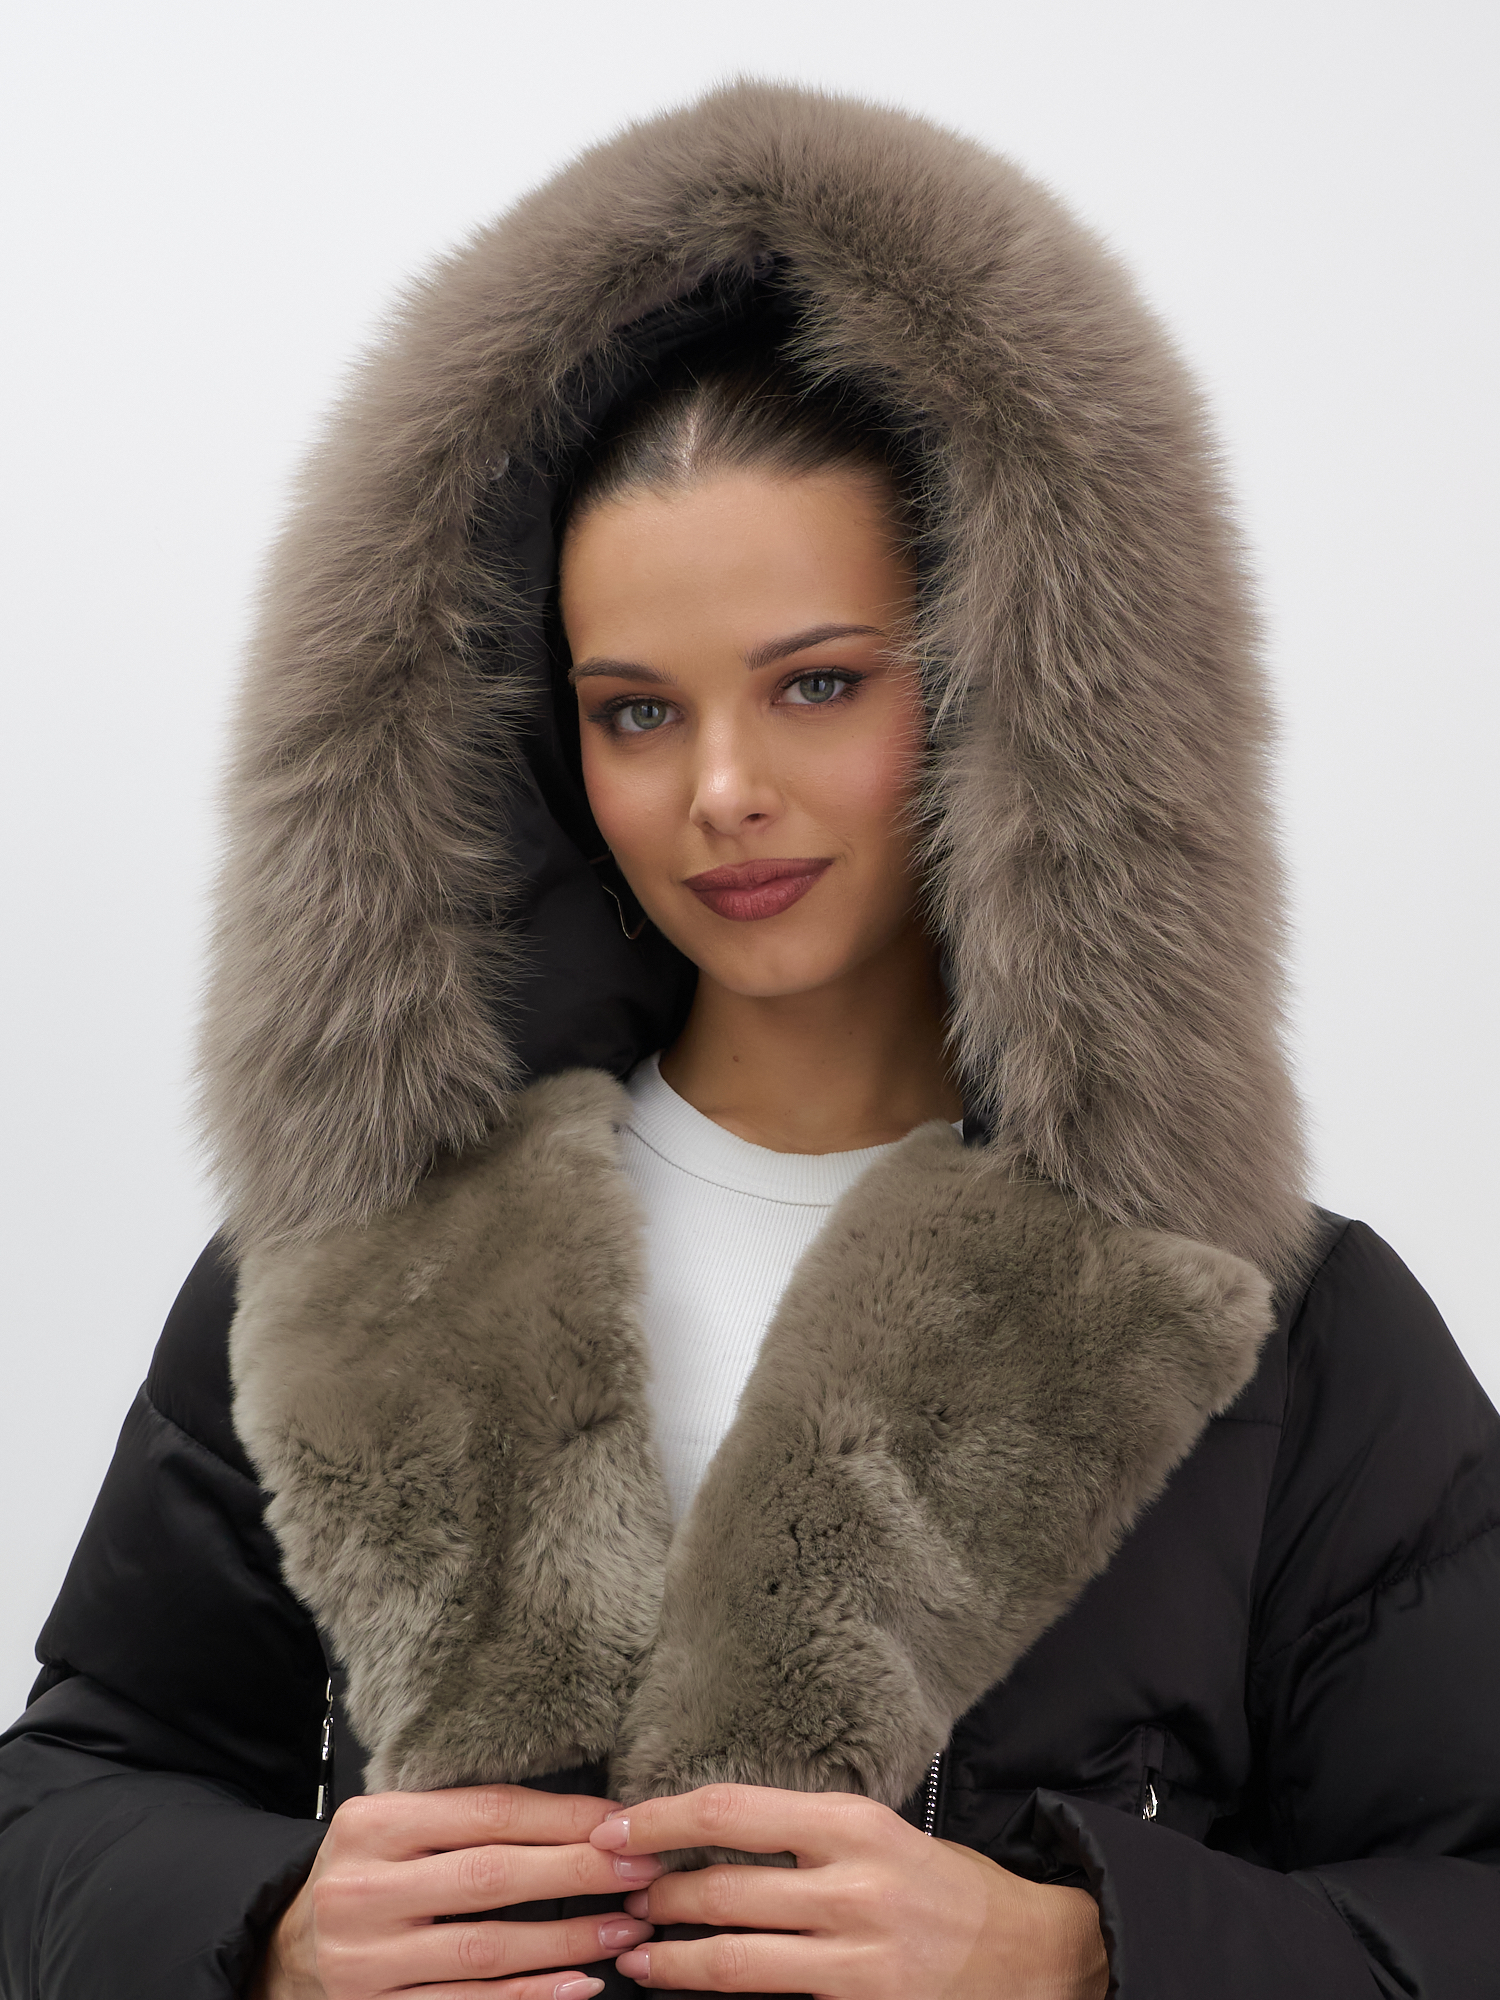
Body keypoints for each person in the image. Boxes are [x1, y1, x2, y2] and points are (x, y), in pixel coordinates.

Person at [1, 81, 1496, 2000]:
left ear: (1007, 690)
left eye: (816, 684)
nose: (720, 790)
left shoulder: (1289, 1336)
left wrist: (1080, 1953)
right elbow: (67, 1796)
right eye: (636, 711)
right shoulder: (350, 1273)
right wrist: (266, 1924)